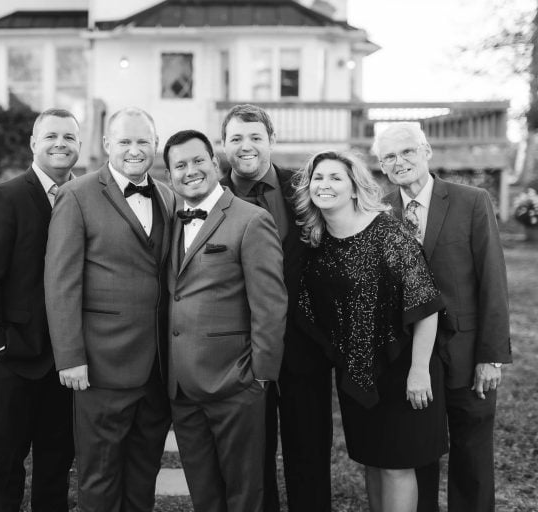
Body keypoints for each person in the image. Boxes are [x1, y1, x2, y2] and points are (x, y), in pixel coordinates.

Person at [294, 149, 448, 512]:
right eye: (318, 177)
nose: (325, 184)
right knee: (374, 462)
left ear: (353, 188)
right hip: (358, 373)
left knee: (396, 467)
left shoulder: (387, 235)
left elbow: (426, 305)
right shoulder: (318, 244)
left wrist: (419, 371)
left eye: (335, 177)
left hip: (404, 371)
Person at [374, 123, 511, 512]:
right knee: (419, 454)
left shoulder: (472, 200)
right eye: (389, 157)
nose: (399, 162)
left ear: (426, 150)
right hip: (410, 357)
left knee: (472, 455)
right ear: (381, 165)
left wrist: (491, 355)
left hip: (467, 352)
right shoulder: (380, 213)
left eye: (406, 152)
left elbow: (492, 280)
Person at [44, 107, 175, 512]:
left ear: (155, 145)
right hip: (100, 367)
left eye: (143, 142)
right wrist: (70, 356)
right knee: (99, 477)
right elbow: (61, 281)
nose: (134, 150)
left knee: (143, 473)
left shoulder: (169, 196)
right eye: (125, 141)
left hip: (157, 369)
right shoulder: (77, 195)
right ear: (106, 146)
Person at [163, 129, 286, 512]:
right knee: (205, 495)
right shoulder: (170, 222)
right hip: (181, 387)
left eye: (198, 160)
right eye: (179, 165)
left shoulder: (252, 220)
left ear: (215, 163)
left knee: (243, 494)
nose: (190, 171)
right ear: (169, 176)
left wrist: (260, 376)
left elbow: (270, 304)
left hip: (236, 383)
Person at [219, 103, 332, 511]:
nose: (246, 146)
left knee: (311, 454)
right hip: (239, 350)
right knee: (251, 458)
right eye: (236, 138)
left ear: (272, 140)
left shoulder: (306, 190)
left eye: (255, 137)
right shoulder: (210, 196)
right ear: (223, 144)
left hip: (306, 346)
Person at [0, 108, 78, 511]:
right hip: (15, 353)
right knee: (6, 461)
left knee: (57, 460)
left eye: (68, 137)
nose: (60, 143)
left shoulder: (82, 195)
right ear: (34, 144)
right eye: (51, 136)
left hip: (67, 358)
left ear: (79, 146)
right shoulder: (7, 196)